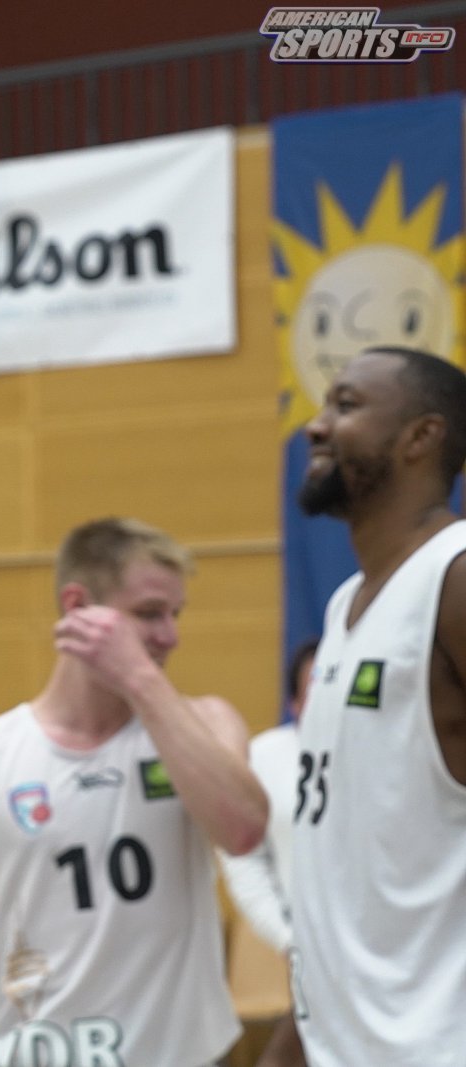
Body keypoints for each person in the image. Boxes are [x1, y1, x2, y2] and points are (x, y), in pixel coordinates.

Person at [0, 517, 267, 1067]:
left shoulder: (207, 723)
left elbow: (243, 830)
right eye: (149, 613)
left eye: (175, 614)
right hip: (38, 1055)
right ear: (77, 606)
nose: (169, 635)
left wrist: (139, 678)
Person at [289, 345, 466, 1066]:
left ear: (422, 436)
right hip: (345, 1038)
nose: (316, 425)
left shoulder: (454, 576)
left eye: (347, 405)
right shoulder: (343, 606)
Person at [216, 640, 317, 1067]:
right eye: (315, 685)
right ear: (294, 704)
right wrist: (287, 939)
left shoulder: (401, 751)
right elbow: (242, 859)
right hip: (311, 956)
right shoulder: (264, 758)